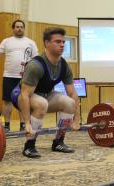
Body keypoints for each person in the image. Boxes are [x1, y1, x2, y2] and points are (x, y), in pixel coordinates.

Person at [11, 27, 80, 158]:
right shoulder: (36, 65)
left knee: (70, 103)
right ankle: (29, 145)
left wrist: (76, 119)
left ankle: (58, 142)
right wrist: (26, 123)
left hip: (45, 95)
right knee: (41, 104)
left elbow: (72, 93)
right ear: (47, 43)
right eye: (57, 42)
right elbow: (24, 95)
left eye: (63, 42)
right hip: (20, 96)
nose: (62, 45)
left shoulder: (64, 66)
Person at [0, 20, 38, 132]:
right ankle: (6, 125)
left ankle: (23, 124)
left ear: (24, 28)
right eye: (17, 27)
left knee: (23, 101)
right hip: (9, 76)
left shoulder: (30, 42)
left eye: (21, 27)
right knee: (7, 101)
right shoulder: (6, 41)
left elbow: (36, 59)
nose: (19, 29)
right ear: (13, 28)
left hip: (25, 77)